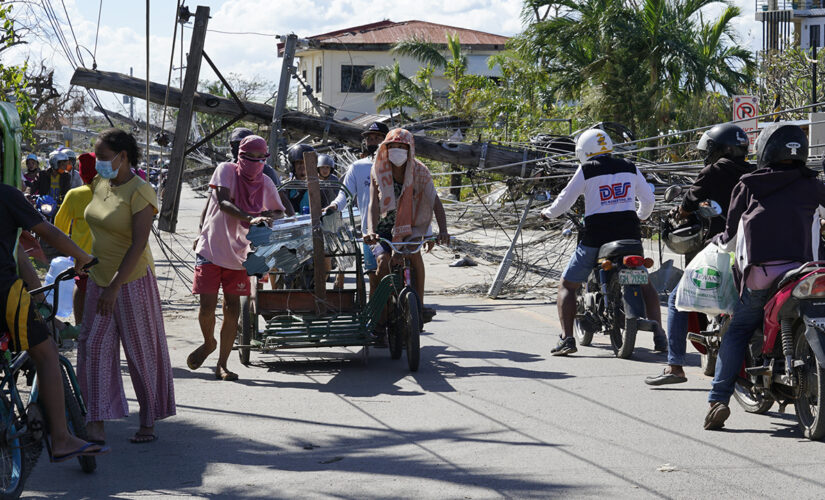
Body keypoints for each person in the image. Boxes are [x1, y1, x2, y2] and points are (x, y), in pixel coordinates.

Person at [704, 123, 825, 430]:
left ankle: (718, 400)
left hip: (761, 276)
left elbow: (730, 239)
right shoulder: (814, 184)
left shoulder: (748, 184)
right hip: (805, 273)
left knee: (738, 329)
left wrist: (715, 242)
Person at [78, 128, 176, 445]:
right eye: (97, 158)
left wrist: (115, 288)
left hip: (131, 282)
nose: (99, 164)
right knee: (93, 349)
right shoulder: (99, 184)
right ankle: (96, 420)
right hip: (98, 278)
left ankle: (147, 421)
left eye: (104, 158)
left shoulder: (141, 192)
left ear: (123, 156)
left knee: (141, 353)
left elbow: (138, 245)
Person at [0, 182, 109, 461]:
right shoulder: (6, 194)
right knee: (46, 352)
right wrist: (83, 256)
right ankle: (61, 439)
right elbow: (47, 231)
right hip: (3, 292)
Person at [645, 123, 753, 386]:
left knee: (677, 299)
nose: (708, 154)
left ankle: (675, 367)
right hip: (751, 252)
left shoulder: (714, 171)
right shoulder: (755, 172)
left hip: (720, 251)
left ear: (720, 149)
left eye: (711, 149)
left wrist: (679, 212)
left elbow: (688, 204)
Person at [540, 129, 661, 356]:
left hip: (597, 238)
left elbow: (565, 200)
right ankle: (660, 336)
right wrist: (640, 217)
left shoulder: (587, 169)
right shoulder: (629, 166)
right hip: (630, 237)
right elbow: (648, 200)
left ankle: (567, 339)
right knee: (646, 285)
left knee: (567, 285)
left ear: (584, 151)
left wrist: (547, 213)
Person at [189, 135, 285, 381]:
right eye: (248, 157)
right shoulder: (226, 170)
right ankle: (208, 342)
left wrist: (266, 216)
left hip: (241, 252)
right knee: (206, 307)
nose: (253, 162)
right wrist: (250, 217)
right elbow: (222, 202)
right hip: (211, 247)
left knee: (233, 309)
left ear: (266, 159)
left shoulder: (265, 182)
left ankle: (223, 363)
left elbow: (281, 211)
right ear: (239, 155)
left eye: (259, 158)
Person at [363, 127, 450, 327]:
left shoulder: (420, 171)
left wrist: (443, 231)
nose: (397, 150)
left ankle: (419, 305)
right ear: (385, 148)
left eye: (402, 146)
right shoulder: (379, 168)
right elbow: (373, 205)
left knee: (415, 257)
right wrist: (370, 230)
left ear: (410, 149)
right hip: (383, 230)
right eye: (392, 146)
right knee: (383, 262)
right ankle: (383, 308)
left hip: (413, 227)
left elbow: (435, 201)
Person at [323, 121, 389, 293]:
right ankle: (378, 318)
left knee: (404, 271)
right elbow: (345, 194)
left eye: (378, 138)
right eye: (370, 139)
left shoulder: (396, 165)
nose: (373, 142)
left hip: (397, 228)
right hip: (371, 231)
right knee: (374, 276)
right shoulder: (358, 167)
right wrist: (334, 205)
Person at [54, 152, 97, 326]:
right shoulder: (115, 194)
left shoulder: (75, 195)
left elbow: (59, 227)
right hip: (112, 257)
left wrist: (72, 252)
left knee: (82, 289)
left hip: (83, 257)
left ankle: (80, 327)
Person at [284, 143, 317, 214]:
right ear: (293, 166)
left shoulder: (320, 186)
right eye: (299, 162)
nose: (302, 165)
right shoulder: (286, 187)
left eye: (305, 162)